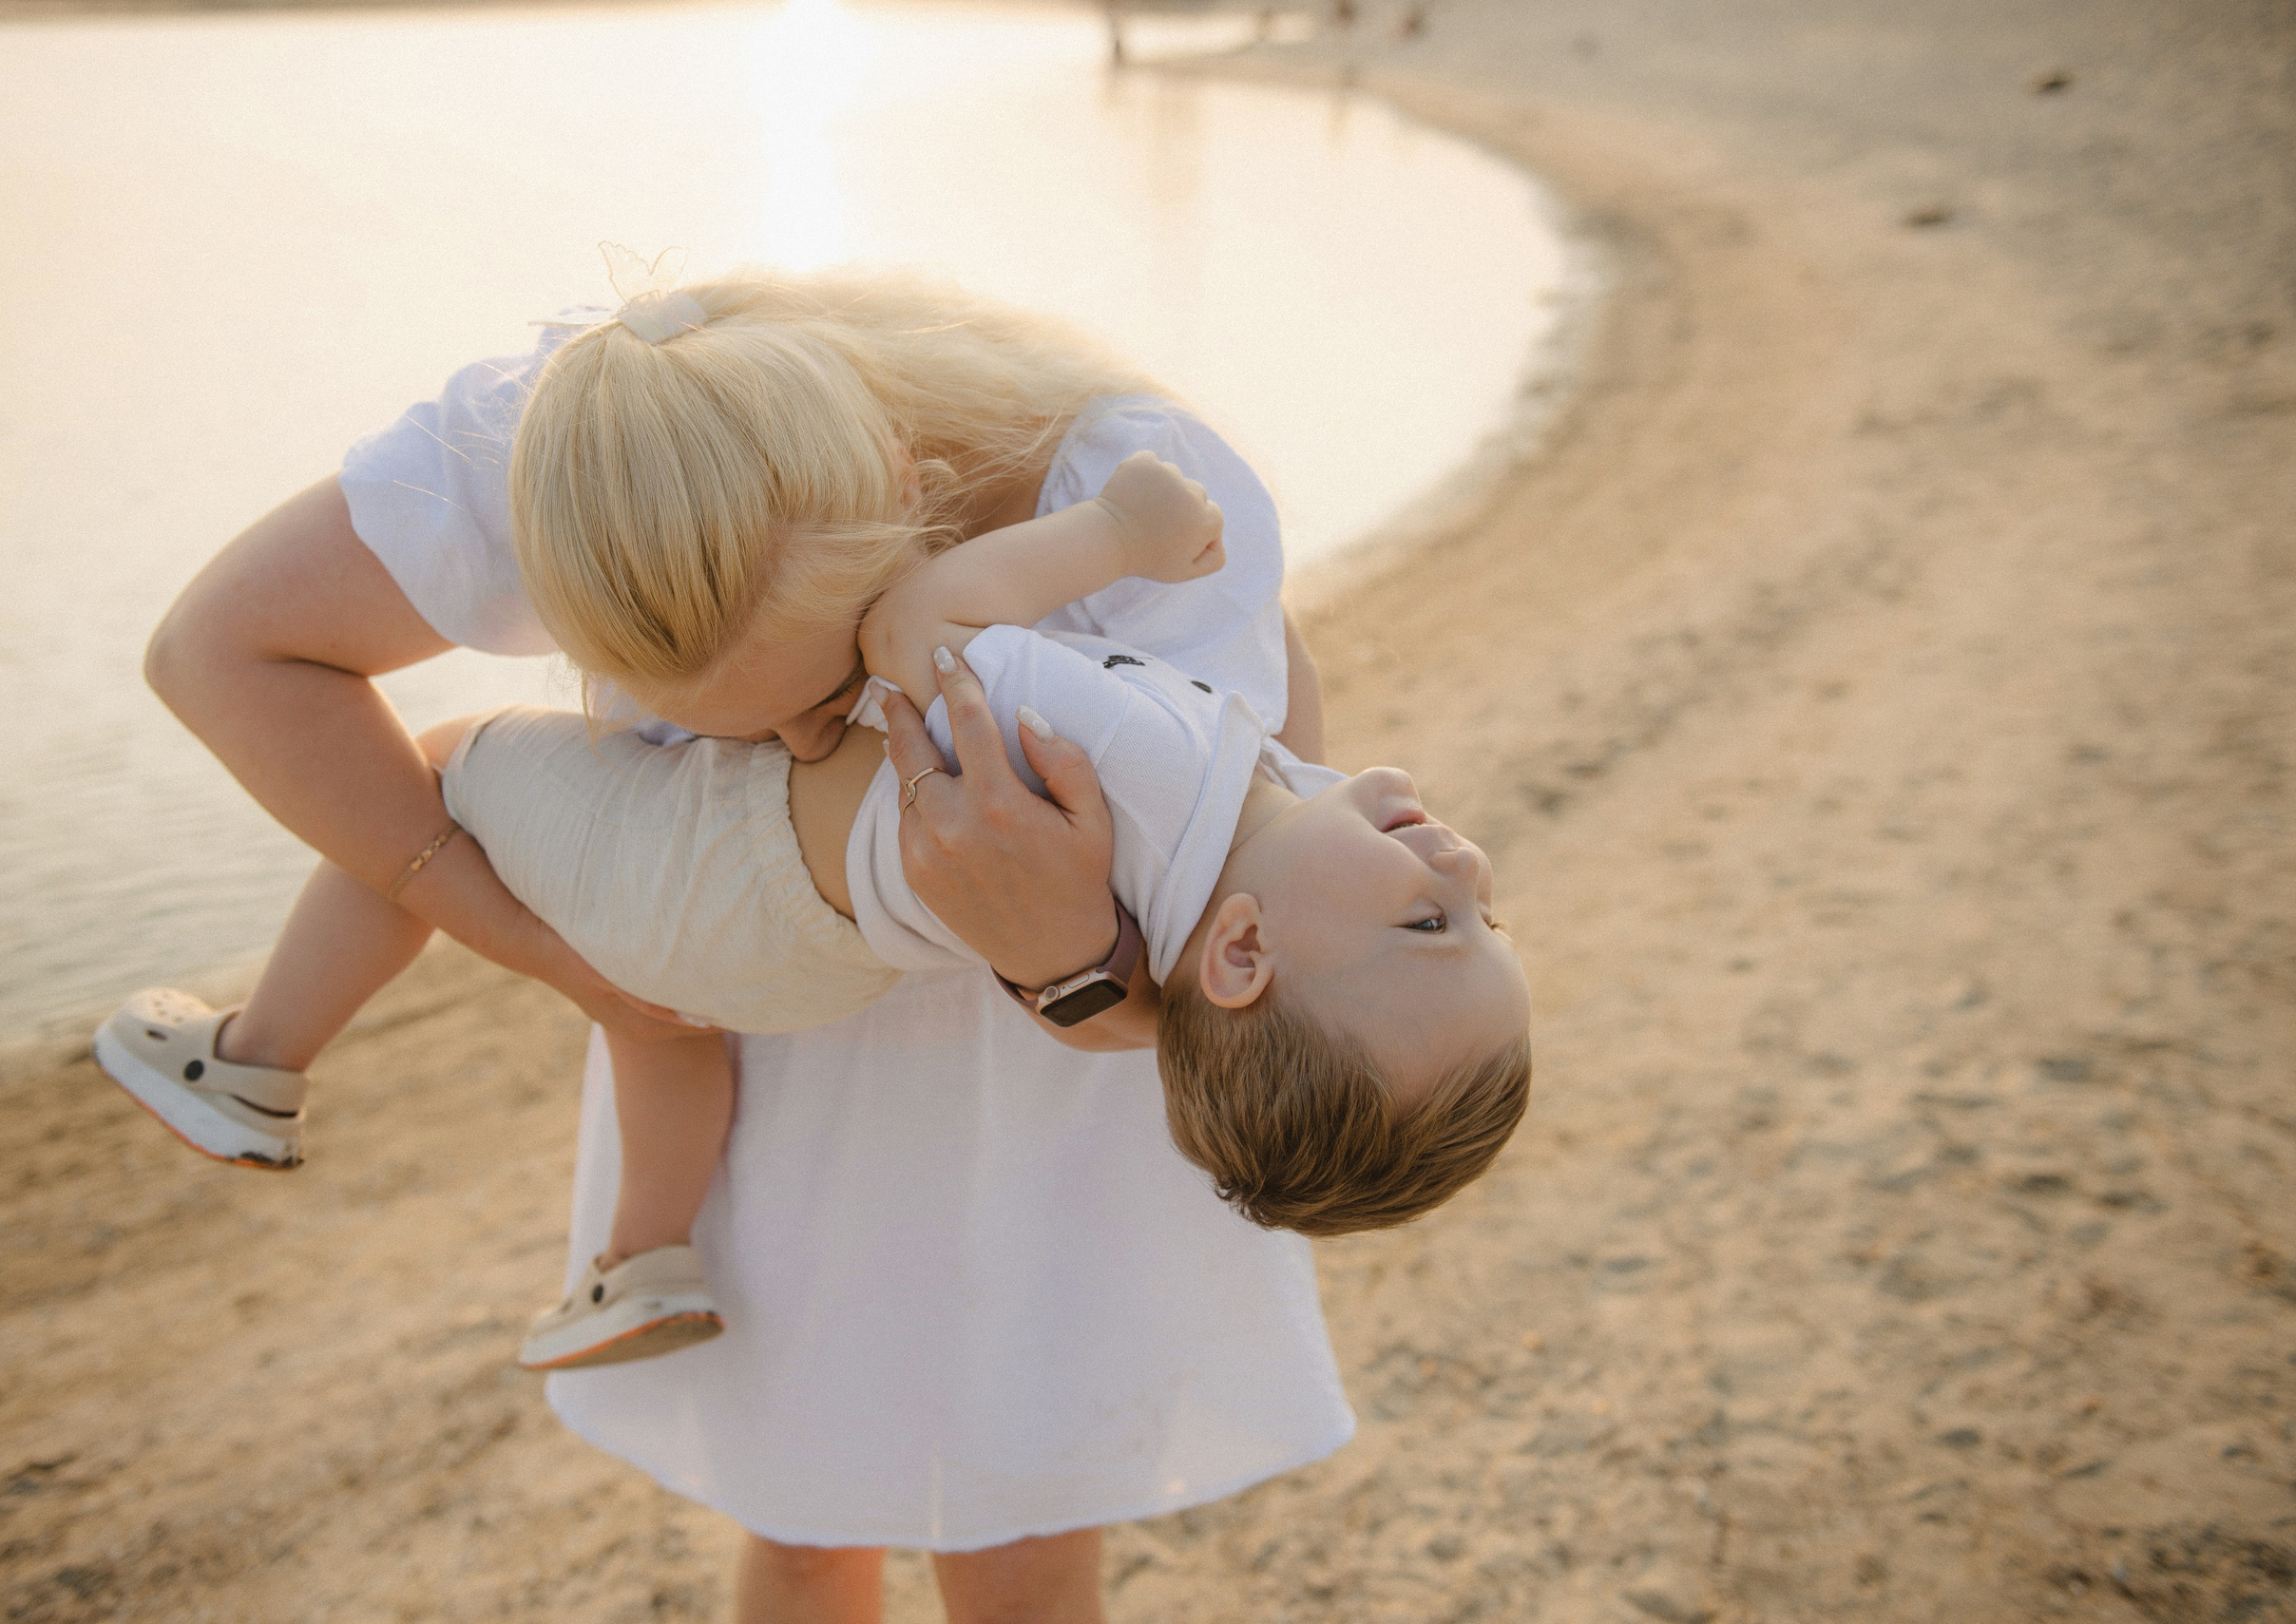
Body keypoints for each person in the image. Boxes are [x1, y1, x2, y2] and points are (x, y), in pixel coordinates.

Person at [140, 259, 1358, 1620]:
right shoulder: (583, 450)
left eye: (830, 688)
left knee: (1016, 1542)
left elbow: (1247, 942)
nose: (795, 742)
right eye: (726, 726)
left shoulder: (1130, 489)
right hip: (762, 1048)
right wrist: (548, 948)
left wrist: (1073, 956)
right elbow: (220, 652)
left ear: (902, 488)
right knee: (796, 1519)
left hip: (1062, 1074)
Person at [101, 447, 1531, 1369]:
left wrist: (1113, 528)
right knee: (659, 1018)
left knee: (434, 771)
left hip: (718, 873)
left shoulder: (1152, 775)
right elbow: (1279, 786)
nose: (1468, 874)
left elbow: (915, 633)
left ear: (1242, 949)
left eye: (1431, 923)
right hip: (786, 950)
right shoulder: (1223, 858)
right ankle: (638, 1260)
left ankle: (257, 1058)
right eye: (1490, 917)